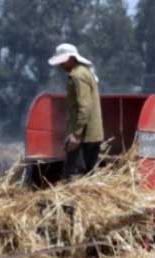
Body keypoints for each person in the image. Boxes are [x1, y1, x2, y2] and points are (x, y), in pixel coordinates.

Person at [48, 43, 103, 180]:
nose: (60, 65)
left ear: (70, 59)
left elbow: (84, 107)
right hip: (87, 134)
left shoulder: (78, 76)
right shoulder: (84, 72)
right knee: (85, 176)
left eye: (62, 61)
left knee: (74, 176)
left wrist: (76, 135)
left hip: (84, 136)